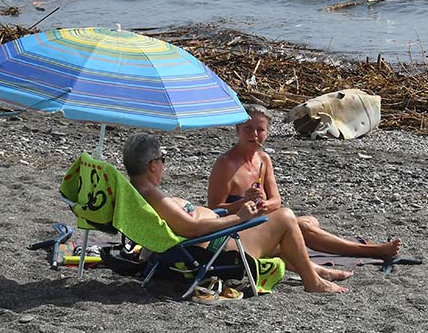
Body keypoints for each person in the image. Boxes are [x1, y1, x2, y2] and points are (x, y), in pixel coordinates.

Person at [122, 131, 351, 294]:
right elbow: (192, 228)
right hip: (212, 246)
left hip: (208, 240)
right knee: (286, 217)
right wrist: (239, 217)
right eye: (163, 160)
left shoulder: (138, 192)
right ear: (153, 165)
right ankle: (313, 281)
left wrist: (229, 213)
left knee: (291, 228)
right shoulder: (151, 195)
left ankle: (315, 270)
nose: (163, 165)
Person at [207, 103, 401, 261]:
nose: (255, 135)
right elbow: (214, 210)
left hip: (263, 222)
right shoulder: (226, 164)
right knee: (304, 227)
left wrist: (265, 204)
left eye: (260, 130)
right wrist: (243, 203)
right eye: (248, 129)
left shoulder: (263, 159)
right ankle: (370, 250)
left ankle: (355, 247)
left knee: (310, 221)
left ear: (267, 133)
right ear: (237, 129)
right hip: (241, 233)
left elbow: (276, 201)